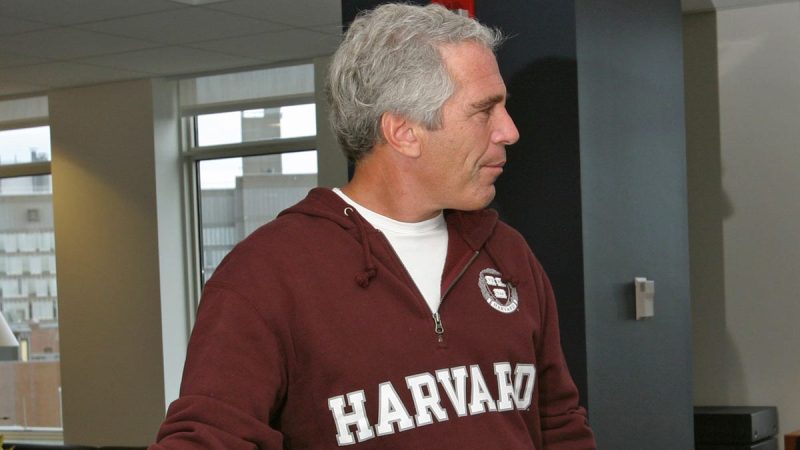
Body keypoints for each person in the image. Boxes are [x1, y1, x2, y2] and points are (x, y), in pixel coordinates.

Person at [150, 3, 596, 449]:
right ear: (404, 132)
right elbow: (207, 436)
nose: (509, 131)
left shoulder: (507, 252)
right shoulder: (267, 274)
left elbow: (559, 425)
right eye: (484, 111)